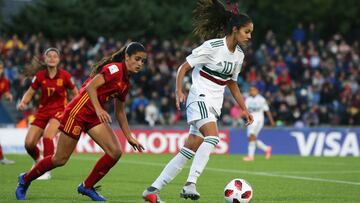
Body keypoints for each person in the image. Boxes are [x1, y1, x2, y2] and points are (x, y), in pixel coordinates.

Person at [142, 0, 254, 202]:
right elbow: (184, 67)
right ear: (235, 29)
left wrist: (244, 109)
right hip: (199, 96)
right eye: (247, 31)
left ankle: (152, 190)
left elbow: (232, 83)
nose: (249, 36)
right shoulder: (212, 47)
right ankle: (190, 184)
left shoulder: (239, 56)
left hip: (214, 104)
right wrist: (179, 90)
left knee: (188, 149)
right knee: (213, 137)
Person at [15, 42, 146, 201]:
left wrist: (129, 136)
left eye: (142, 61)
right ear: (126, 57)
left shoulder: (126, 83)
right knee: (59, 159)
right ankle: (25, 179)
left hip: (92, 116)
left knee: (115, 152)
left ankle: (87, 186)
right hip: (77, 113)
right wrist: (99, 109)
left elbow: (120, 111)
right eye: (137, 59)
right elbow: (91, 87)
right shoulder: (115, 69)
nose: (140, 64)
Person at [17, 48, 78, 179]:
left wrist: (75, 108)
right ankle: (38, 161)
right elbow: (30, 92)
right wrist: (24, 102)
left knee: (47, 136)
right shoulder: (39, 76)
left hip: (59, 112)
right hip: (43, 112)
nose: (51, 58)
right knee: (29, 144)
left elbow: (76, 94)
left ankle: (45, 170)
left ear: (59, 59)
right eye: (49, 56)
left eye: (54, 56)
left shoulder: (65, 76)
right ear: (45, 59)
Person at [243, 86, 275, 161]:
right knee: (251, 138)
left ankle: (250, 156)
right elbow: (245, 110)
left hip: (259, 120)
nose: (252, 91)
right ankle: (266, 149)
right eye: (251, 90)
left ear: (257, 91)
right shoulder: (248, 99)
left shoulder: (261, 99)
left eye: (253, 90)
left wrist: (272, 121)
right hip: (251, 120)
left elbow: (267, 110)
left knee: (251, 136)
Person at [0, 60, 15, 164]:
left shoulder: (5, 81)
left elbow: (5, 92)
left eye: (1, 68)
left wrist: (8, 96)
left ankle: (1, 158)